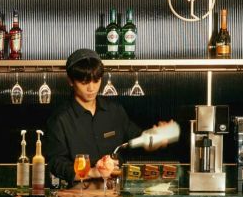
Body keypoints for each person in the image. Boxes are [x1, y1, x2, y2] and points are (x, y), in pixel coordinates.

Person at [44, 49, 172, 185]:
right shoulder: (60, 119)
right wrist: (92, 172)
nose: (91, 88)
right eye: (84, 82)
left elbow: (136, 141)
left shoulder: (114, 111)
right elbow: (56, 163)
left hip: (116, 190)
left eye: (96, 80)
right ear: (70, 81)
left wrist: (156, 139)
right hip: (79, 192)